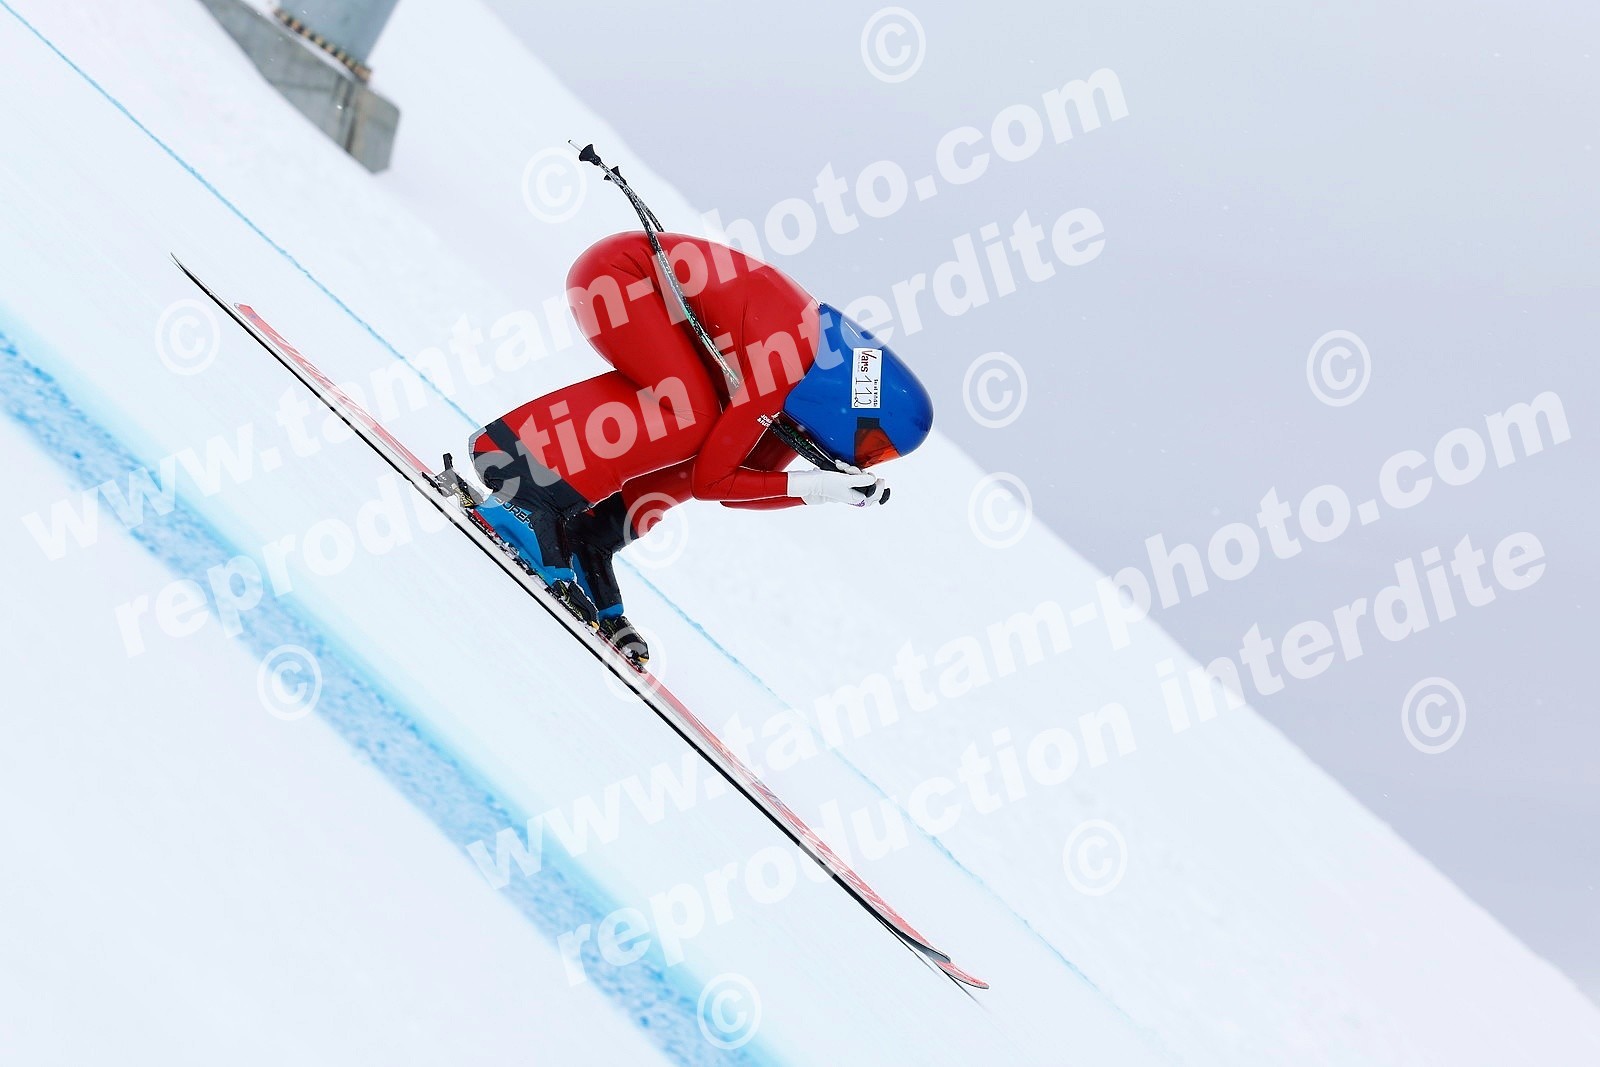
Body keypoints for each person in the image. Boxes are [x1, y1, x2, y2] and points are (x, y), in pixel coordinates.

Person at [465, 231, 933, 664]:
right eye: (869, 446)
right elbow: (714, 484)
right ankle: (524, 483)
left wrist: (824, 490)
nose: (855, 457)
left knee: (715, 438)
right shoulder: (786, 361)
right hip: (617, 277)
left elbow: (740, 483)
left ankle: (593, 534)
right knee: (693, 415)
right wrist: (817, 486)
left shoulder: (808, 379)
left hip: (639, 290)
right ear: (855, 413)